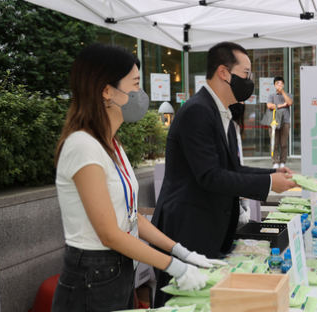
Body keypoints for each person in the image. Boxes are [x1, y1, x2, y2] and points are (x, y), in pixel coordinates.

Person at [52, 44, 218, 312]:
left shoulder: (111, 144)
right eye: (135, 84)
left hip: (116, 272)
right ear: (107, 91)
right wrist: (175, 267)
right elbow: (109, 234)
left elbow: (129, 215)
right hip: (92, 279)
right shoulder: (82, 145)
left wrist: (180, 251)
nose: (141, 94)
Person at [151, 42, 296, 307]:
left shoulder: (221, 113)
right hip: (187, 229)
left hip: (208, 229)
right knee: (180, 300)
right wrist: (268, 183)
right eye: (246, 73)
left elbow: (233, 169)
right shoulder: (198, 111)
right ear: (223, 72)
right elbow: (210, 176)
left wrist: (272, 175)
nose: (250, 81)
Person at [261, 76, 293, 168]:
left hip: (285, 121)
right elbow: (269, 106)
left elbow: (289, 102)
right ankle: (275, 161)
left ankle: (283, 161)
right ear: (274, 85)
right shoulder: (271, 95)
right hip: (274, 121)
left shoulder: (288, 94)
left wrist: (282, 92)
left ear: (283, 84)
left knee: (283, 143)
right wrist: (282, 105)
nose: (279, 85)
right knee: (274, 142)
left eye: (281, 83)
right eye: (277, 83)